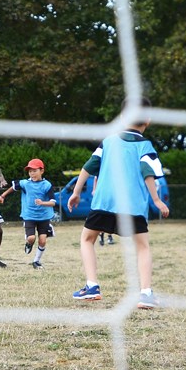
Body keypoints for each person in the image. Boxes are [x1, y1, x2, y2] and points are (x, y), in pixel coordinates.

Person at [68, 97, 169, 309]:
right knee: (142, 247)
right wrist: (157, 200)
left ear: (122, 117)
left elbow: (88, 167)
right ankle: (146, 293)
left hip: (104, 202)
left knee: (87, 239)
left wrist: (76, 193)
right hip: (133, 206)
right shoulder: (145, 145)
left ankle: (92, 286)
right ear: (148, 120)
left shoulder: (109, 141)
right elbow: (148, 172)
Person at [0, 158, 56, 269]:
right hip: (29, 216)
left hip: (44, 217)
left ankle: (36, 261)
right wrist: (3, 195)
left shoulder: (47, 185)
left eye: (35, 170)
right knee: (31, 238)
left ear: (42, 171)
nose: (32, 173)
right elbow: (13, 188)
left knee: (42, 240)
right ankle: (29, 243)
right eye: (30, 171)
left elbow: (53, 202)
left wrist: (42, 203)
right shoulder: (25, 183)